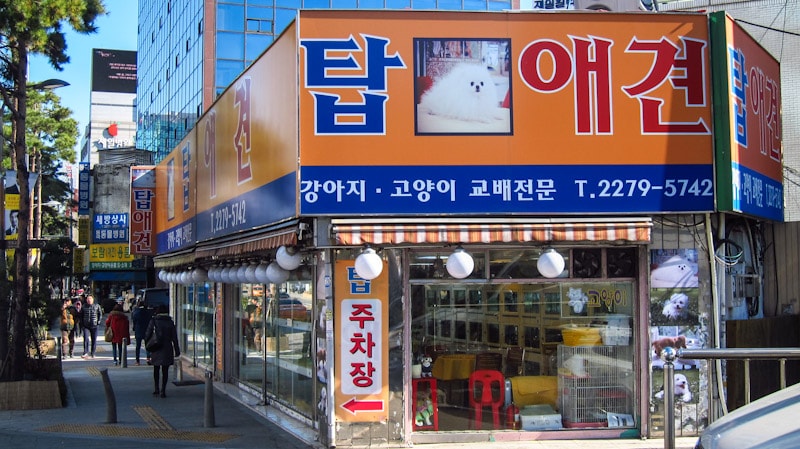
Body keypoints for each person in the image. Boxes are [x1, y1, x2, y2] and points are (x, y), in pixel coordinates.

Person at [145, 304, 180, 398]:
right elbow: (174, 338)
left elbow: (148, 334)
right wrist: (177, 350)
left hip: (156, 347)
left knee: (156, 369)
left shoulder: (154, 321)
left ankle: (156, 388)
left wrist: (147, 346)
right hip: (167, 348)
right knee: (165, 370)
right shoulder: (170, 322)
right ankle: (163, 390)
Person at [131, 299, 154, 365]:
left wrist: (134, 328)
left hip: (138, 330)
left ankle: (137, 361)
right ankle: (148, 358)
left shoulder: (136, 312)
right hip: (147, 330)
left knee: (138, 346)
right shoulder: (148, 312)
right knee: (148, 345)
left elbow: (134, 321)